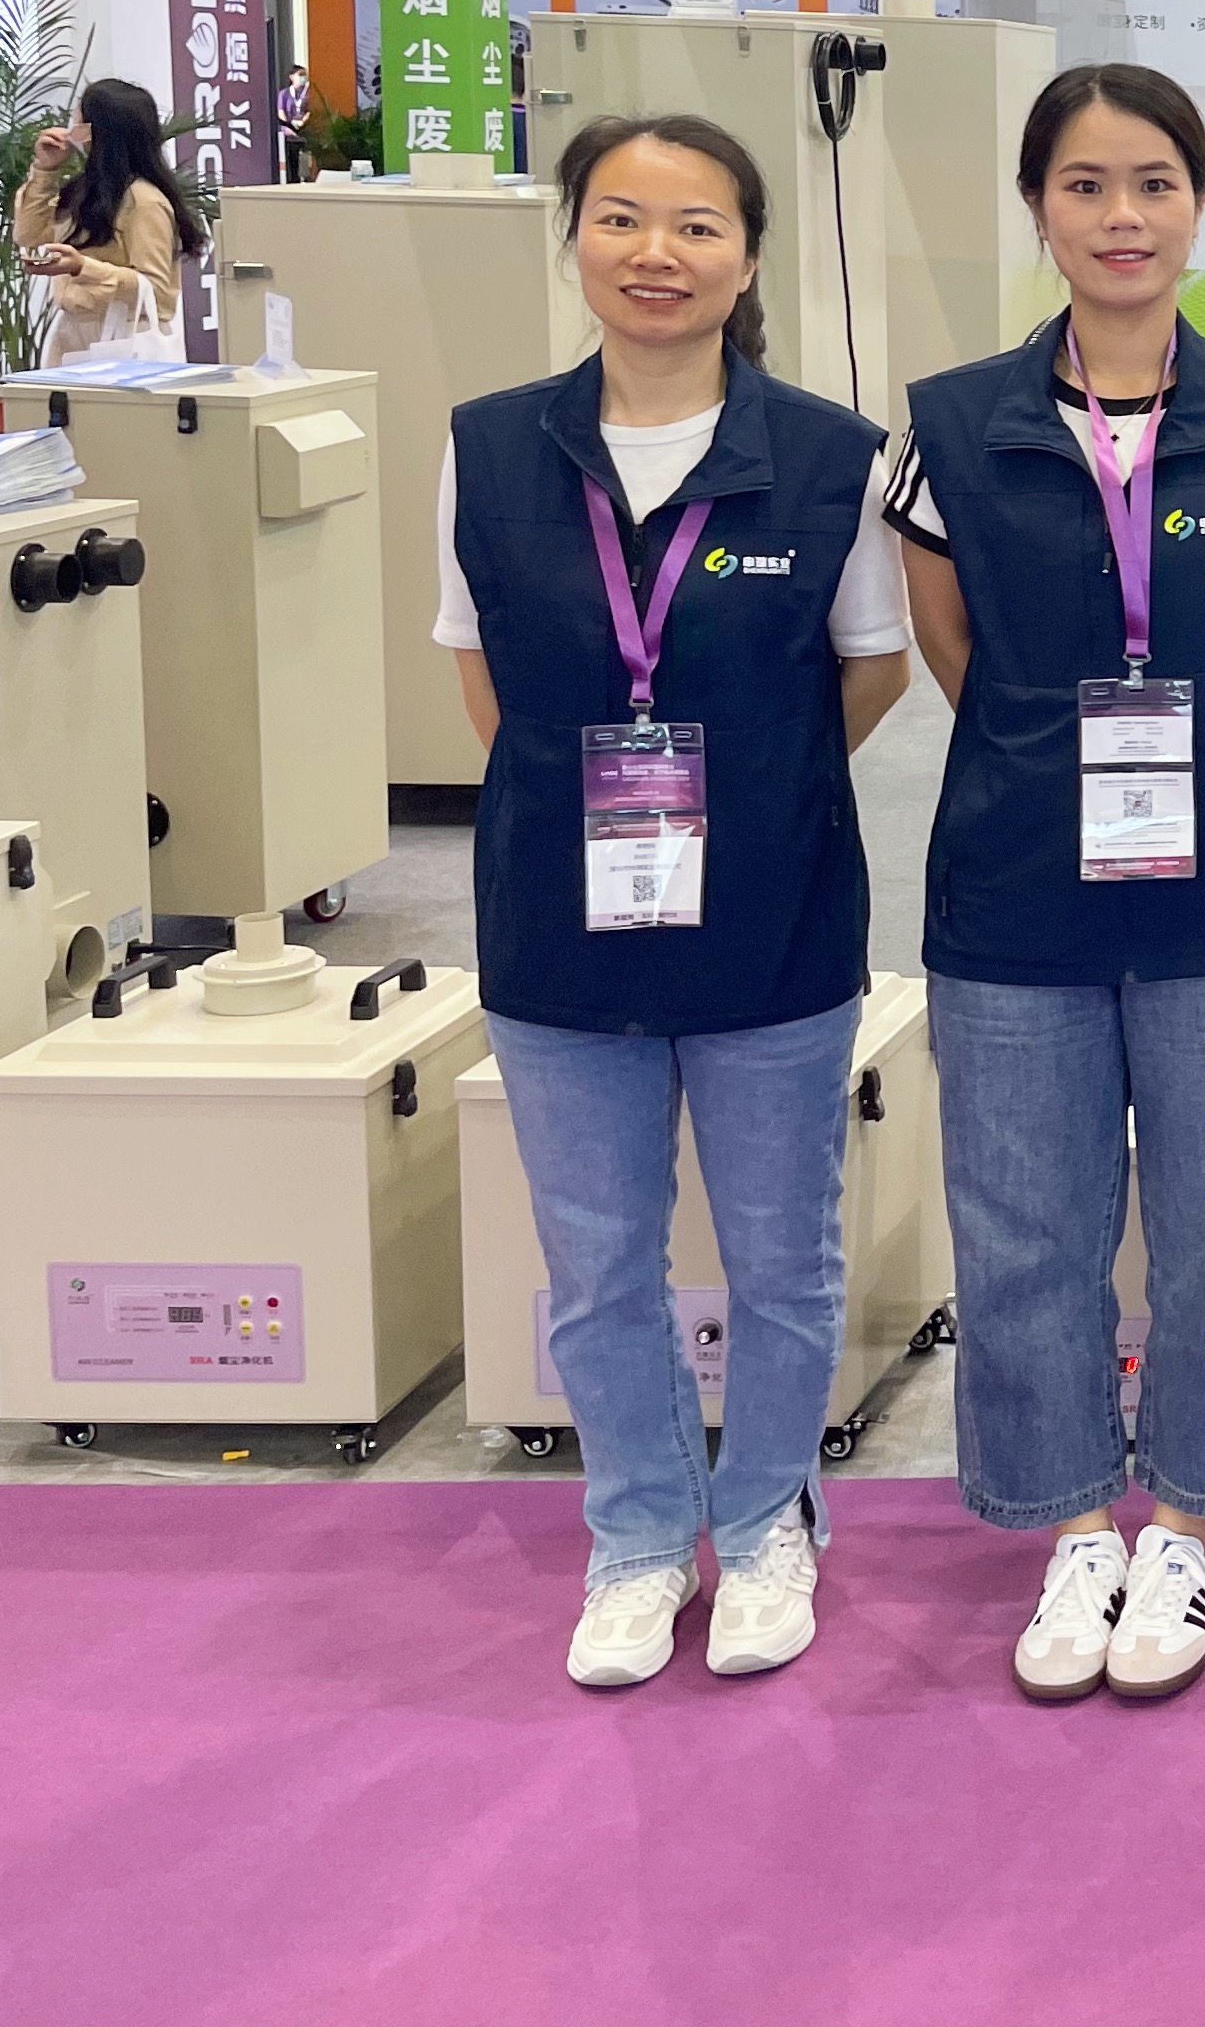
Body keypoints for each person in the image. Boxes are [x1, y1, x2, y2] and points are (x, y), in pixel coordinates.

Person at [890, 64, 1205, 1705]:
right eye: (1085, 185)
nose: (1121, 216)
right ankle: (1074, 1522)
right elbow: (953, 648)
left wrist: (1190, 765)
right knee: (1027, 1230)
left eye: (1154, 182)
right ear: (1040, 207)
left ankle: (1189, 1526)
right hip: (1018, 889)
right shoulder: (954, 424)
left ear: (1200, 204)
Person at [438, 115, 909, 1688]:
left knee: (783, 1260)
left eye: (698, 225)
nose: (658, 253)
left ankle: (768, 1519)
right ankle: (639, 1534)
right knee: (596, 1270)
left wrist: (758, 797)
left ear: (748, 257)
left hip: (774, 922)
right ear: (574, 236)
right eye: (622, 218)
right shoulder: (491, 448)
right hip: (557, 928)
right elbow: (483, 678)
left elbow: (869, 672)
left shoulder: (833, 459)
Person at [14, 76, 201, 364]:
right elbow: (29, 236)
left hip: (126, 339)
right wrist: (45, 171)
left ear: (95, 130)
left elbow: (157, 292)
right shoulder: (85, 190)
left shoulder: (144, 201)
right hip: (72, 336)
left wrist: (83, 267)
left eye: (79, 117)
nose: (71, 126)